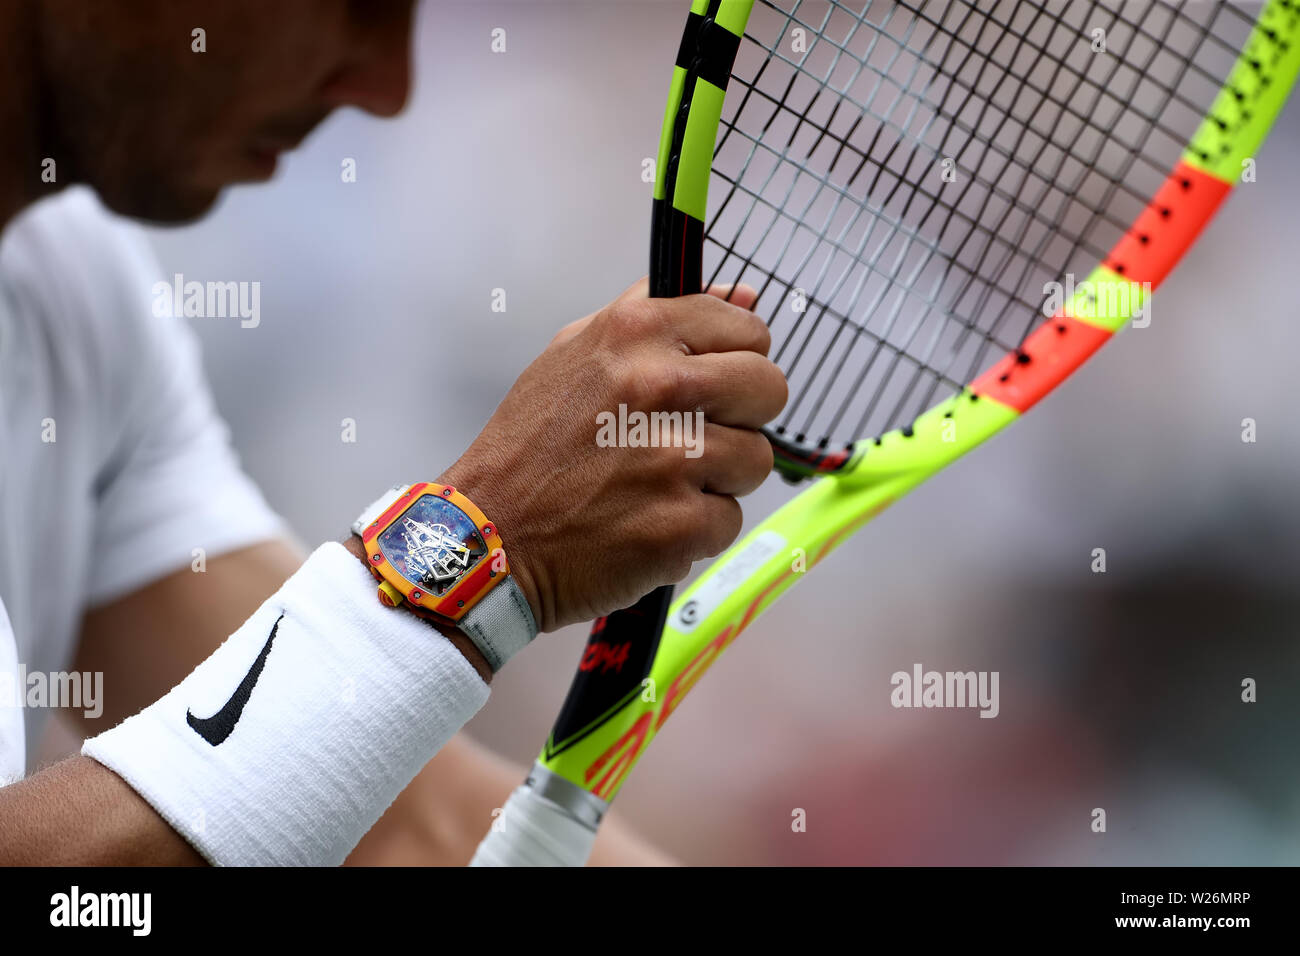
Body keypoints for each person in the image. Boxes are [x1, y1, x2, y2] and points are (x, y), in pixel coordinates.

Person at [0, 1, 785, 864]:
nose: (386, 89)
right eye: (359, 6)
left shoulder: (69, 281)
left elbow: (406, 824)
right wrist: (488, 550)